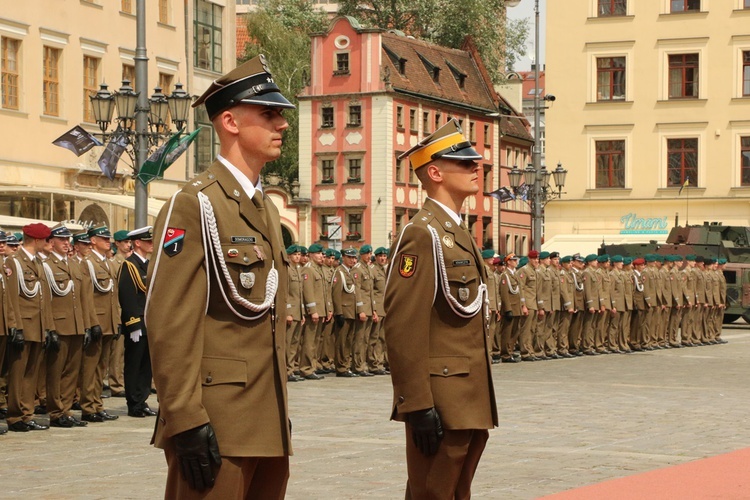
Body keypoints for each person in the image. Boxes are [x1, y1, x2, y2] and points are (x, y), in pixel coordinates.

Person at [145, 54, 294, 497]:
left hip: (267, 418)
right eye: (268, 114)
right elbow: (169, 320)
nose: (281, 125)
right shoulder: (195, 203)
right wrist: (184, 418)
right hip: (217, 418)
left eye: (280, 115)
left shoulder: (265, 209)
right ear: (229, 121)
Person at [385, 119, 497, 498]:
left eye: (474, 162)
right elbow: (403, 324)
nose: (475, 167)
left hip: (468, 396)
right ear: (434, 172)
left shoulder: (458, 232)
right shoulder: (423, 233)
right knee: (432, 493)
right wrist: (416, 404)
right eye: (464, 163)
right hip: (442, 399)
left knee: (453, 492)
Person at [5, 223, 54, 432]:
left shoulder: (37, 263)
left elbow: (43, 298)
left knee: (31, 373)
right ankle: (15, 416)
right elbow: (11, 297)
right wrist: (14, 326)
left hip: (37, 325)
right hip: (24, 325)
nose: (48, 243)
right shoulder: (14, 262)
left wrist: (48, 327)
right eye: (45, 239)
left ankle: (27, 413)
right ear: (35, 240)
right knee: (18, 373)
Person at [43, 223, 90, 428]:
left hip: (76, 324)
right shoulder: (47, 265)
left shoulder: (74, 264)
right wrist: (49, 327)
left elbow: (81, 299)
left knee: (72, 370)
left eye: (67, 239)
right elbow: (46, 300)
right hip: (60, 325)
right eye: (61, 239)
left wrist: (86, 325)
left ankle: (66, 409)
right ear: (50, 242)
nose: (66, 243)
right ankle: (55, 411)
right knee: (56, 371)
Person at [117, 226, 156, 418]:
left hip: (149, 321)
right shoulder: (129, 265)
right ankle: (133, 402)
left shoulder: (148, 265)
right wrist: (132, 324)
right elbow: (127, 297)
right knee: (134, 363)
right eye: (148, 241)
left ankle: (142, 399)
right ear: (137, 243)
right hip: (137, 323)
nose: (152, 245)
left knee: (147, 364)